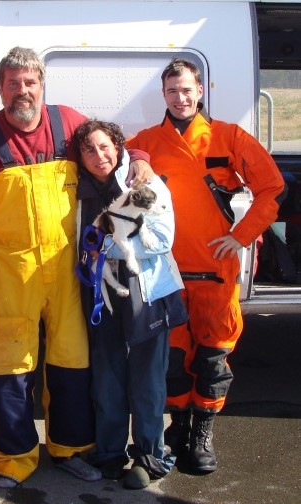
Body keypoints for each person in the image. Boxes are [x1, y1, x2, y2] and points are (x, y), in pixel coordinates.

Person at [0, 46, 153, 489]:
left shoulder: (68, 123)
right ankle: (11, 457)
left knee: (71, 360)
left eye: (30, 82)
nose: (22, 90)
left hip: (66, 267)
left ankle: (70, 449)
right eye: (13, 83)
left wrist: (140, 158)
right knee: (6, 364)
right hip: (10, 270)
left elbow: (108, 151)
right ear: (0, 89)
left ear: (42, 85)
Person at [126, 58, 286, 474]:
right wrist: (137, 157)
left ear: (200, 91)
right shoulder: (147, 140)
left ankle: (203, 431)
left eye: (186, 90)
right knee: (174, 358)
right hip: (168, 273)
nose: (180, 98)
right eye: (172, 91)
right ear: (163, 95)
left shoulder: (228, 137)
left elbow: (272, 187)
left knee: (213, 359)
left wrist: (242, 235)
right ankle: (178, 425)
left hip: (215, 269)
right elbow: (112, 152)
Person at [73, 119, 188, 489]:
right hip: (102, 296)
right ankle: (110, 452)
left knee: (147, 380)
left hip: (147, 292)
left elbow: (162, 239)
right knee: (107, 378)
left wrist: (108, 246)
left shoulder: (143, 183)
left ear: (118, 147)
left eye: (104, 146)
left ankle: (148, 456)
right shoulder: (77, 190)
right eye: (88, 150)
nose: (98, 156)